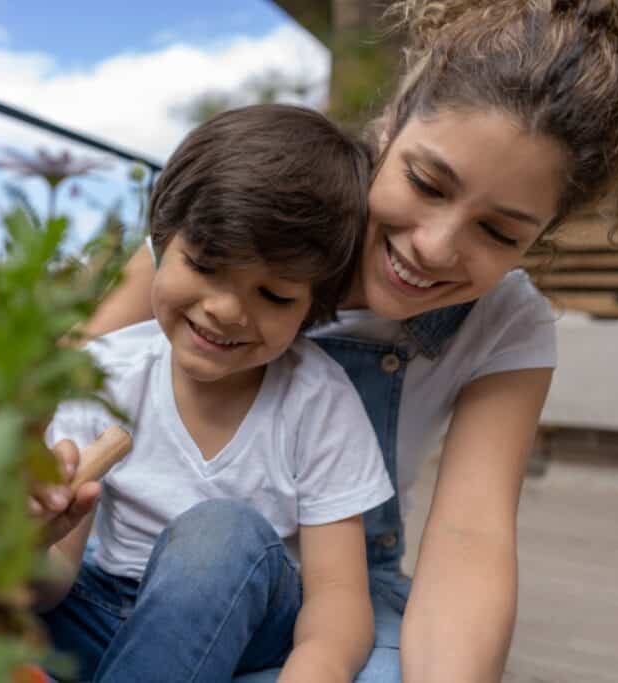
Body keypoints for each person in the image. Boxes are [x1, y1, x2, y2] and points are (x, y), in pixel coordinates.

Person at [63, 0, 618, 680]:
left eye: (499, 232)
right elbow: (53, 385)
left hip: (322, 606)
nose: (434, 248)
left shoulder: (509, 326)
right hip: (123, 564)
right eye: (426, 182)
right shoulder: (232, 230)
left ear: (541, 237)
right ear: (389, 127)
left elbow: (470, 540)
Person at [33, 103, 396, 682]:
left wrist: (314, 671)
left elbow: (337, 598)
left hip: (245, 624)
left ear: (312, 308)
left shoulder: (318, 401)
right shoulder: (102, 375)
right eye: (204, 264)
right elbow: (54, 583)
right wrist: (28, 545)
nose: (225, 309)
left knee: (219, 532)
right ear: (161, 243)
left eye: (274, 296)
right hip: (99, 609)